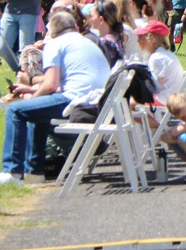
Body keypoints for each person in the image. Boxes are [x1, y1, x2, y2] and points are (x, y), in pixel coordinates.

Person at [0, 11, 110, 184]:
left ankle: (12, 171)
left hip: (76, 103)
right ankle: (34, 172)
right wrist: (33, 93)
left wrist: (33, 96)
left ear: (50, 32)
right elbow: (56, 84)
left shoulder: (55, 44)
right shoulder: (86, 42)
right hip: (96, 103)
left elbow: (51, 85)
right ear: (74, 27)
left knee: (15, 110)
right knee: (38, 111)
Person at [135, 21, 184, 99]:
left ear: (151, 39)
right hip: (171, 96)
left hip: (164, 99)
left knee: (130, 100)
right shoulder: (165, 54)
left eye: (141, 37)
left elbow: (155, 87)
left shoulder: (156, 58)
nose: (138, 40)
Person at [83, 0, 125, 66]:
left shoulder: (105, 42)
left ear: (101, 19)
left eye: (91, 16)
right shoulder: (117, 35)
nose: (88, 18)